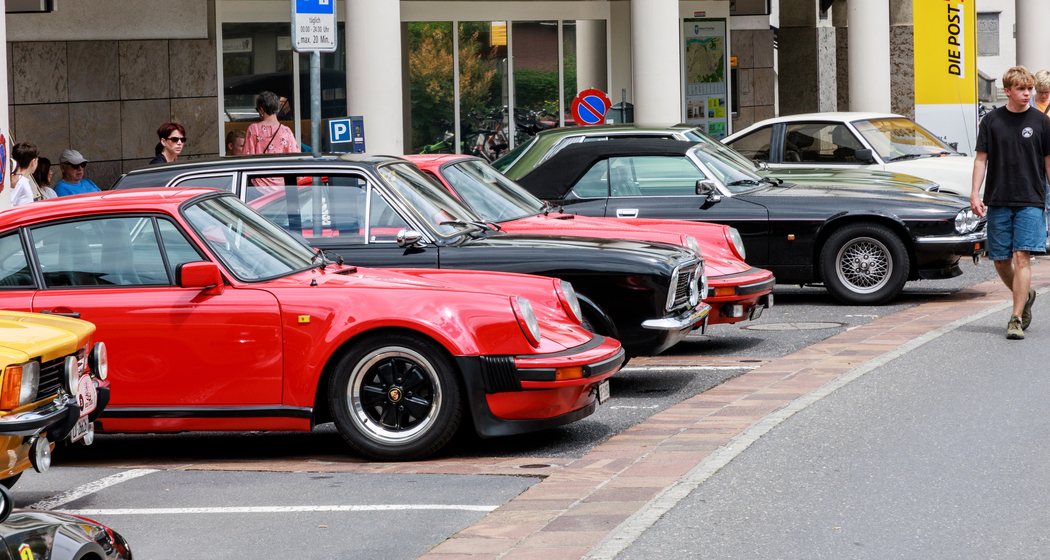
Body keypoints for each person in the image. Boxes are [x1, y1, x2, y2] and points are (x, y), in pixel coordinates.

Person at [971, 66, 1050, 340]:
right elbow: (981, 159)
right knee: (1002, 260)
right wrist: (974, 194)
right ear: (1008, 91)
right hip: (998, 198)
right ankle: (1025, 295)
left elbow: (1048, 162)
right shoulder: (991, 121)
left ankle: (1016, 317)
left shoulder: (1041, 122)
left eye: (1029, 89)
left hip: (1030, 198)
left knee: (1021, 256)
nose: (1027, 93)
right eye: (1021, 89)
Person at [244, 91, 299, 194]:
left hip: (258, 188)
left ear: (261, 109)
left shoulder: (253, 129)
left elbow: (245, 159)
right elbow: (295, 161)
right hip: (282, 189)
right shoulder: (286, 131)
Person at [10, 142, 39, 207]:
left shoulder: (21, 180)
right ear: (33, 162)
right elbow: (10, 203)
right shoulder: (18, 181)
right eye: (37, 161)